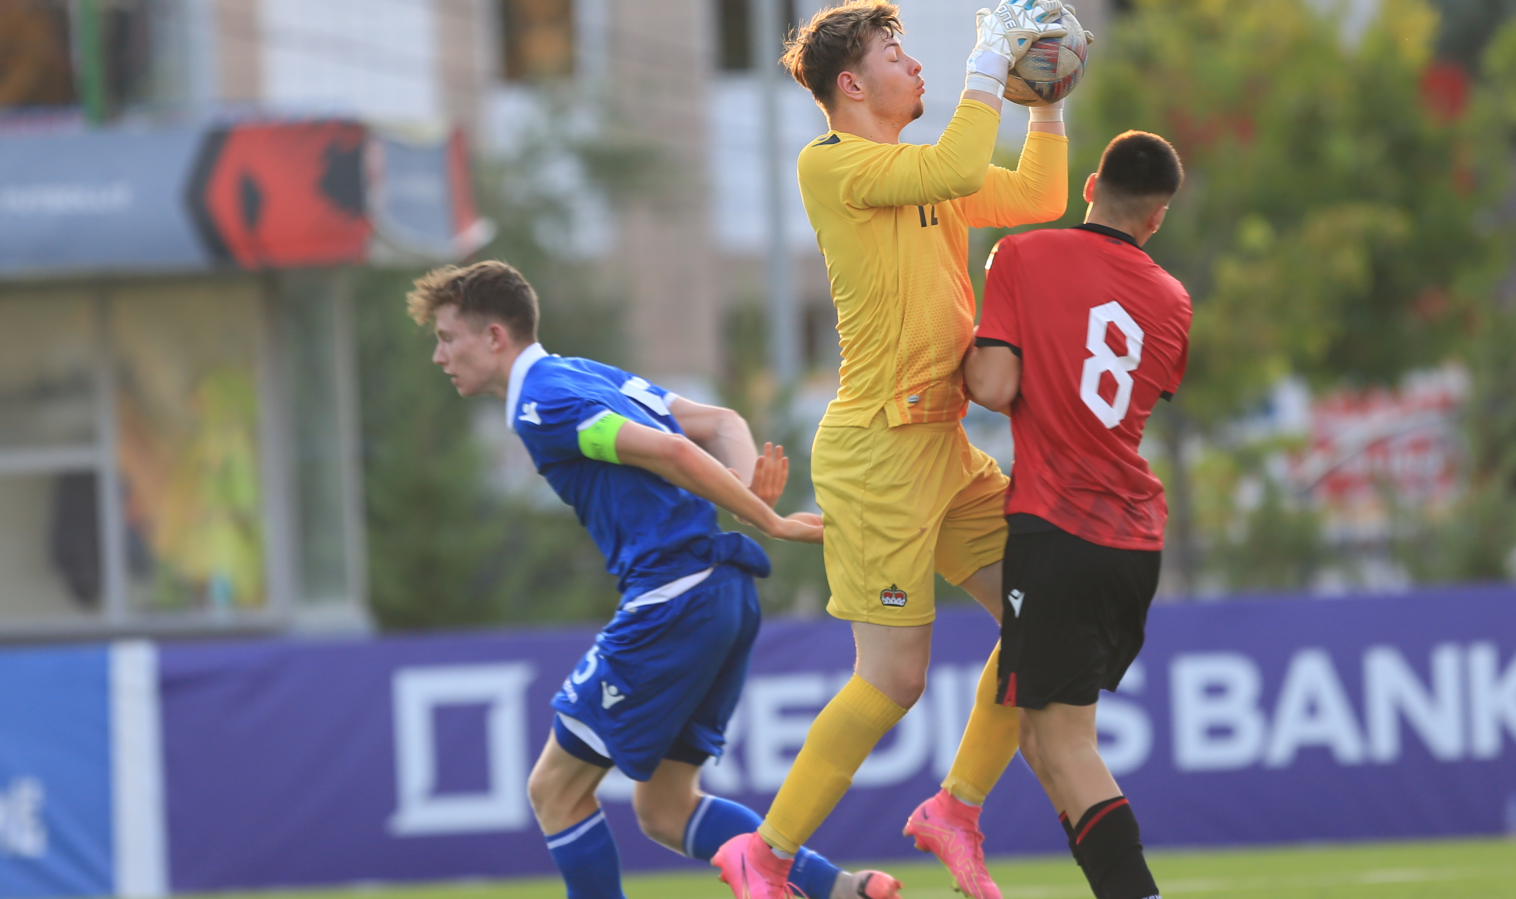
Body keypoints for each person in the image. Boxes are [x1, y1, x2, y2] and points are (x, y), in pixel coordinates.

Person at [714, 1, 1077, 897]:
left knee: (1049, 615)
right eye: (896, 53)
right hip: (876, 453)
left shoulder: (920, 171)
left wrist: (1046, 98)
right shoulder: (831, 164)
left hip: (943, 449)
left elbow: (1040, 198)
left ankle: (954, 809)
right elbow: (959, 161)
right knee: (892, 682)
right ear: (851, 83)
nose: (917, 67)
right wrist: (989, 61)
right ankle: (763, 855)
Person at [406, 260, 902, 899]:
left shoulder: (541, 402)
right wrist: (753, 486)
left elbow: (672, 451)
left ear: (495, 336)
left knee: (554, 790)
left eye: (448, 337)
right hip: (722, 593)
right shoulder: (583, 373)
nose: (440, 355)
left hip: (673, 597)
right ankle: (844, 890)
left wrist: (768, 518)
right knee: (665, 810)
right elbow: (723, 423)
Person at [965, 130, 1190, 899]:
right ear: (1156, 218)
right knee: (1038, 740)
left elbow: (994, 387)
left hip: (1059, 527)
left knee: (1065, 743)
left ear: (1090, 183)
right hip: (1133, 541)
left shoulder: (1022, 256)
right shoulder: (1171, 298)